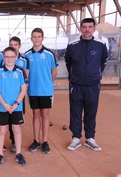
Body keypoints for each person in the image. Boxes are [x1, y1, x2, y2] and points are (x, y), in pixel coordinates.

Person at [65, 18, 108, 151]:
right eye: (84, 27)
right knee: (75, 112)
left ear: (94, 28)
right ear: (80, 28)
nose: (87, 29)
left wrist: (95, 75)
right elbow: (68, 63)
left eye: (90, 27)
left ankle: (90, 138)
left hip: (93, 85)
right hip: (76, 85)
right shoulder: (72, 45)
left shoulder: (100, 45)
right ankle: (76, 138)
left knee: (91, 111)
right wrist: (74, 77)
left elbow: (103, 62)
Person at [24, 28, 57, 154]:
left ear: (42, 38)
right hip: (33, 91)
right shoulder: (27, 55)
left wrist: (47, 83)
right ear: (31, 38)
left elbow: (54, 72)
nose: (36, 39)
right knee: (35, 115)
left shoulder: (49, 54)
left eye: (39, 36)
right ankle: (36, 140)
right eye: (34, 36)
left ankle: (45, 141)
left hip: (46, 91)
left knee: (45, 115)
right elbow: (26, 73)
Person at [0, 47, 27, 166]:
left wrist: (16, 103)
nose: (9, 59)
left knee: (16, 129)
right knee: (1, 130)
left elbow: (23, 89)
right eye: (7, 56)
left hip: (16, 107)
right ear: (3, 57)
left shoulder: (20, 71)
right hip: (3, 107)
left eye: (12, 56)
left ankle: (18, 153)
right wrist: (4, 104)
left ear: (16, 57)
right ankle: (0, 155)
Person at [8, 36, 29, 153]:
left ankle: (16, 142)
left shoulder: (25, 61)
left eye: (15, 45)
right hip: (7, 96)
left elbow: (26, 78)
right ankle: (13, 141)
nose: (13, 47)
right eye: (11, 44)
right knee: (9, 120)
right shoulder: (5, 59)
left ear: (19, 46)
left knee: (17, 121)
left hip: (19, 96)